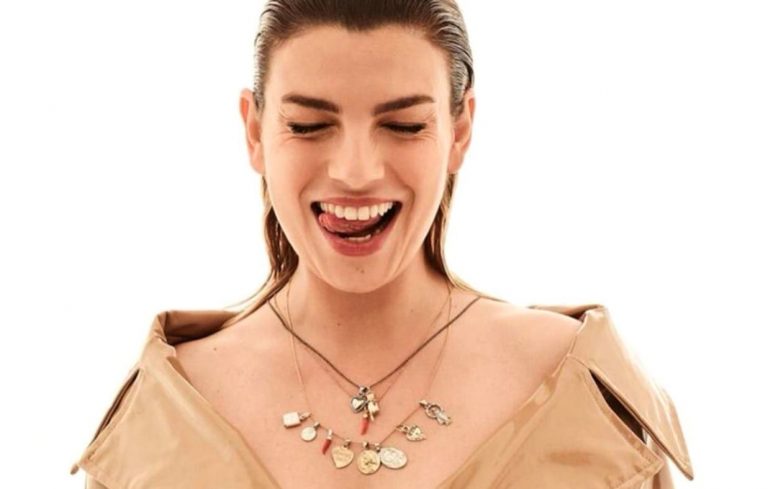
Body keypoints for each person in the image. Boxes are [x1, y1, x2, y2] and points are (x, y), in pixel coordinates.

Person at [70, 1, 694, 487]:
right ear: (254, 131)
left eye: (403, 125)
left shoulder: (577, 390)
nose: (356, 170)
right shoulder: (166, 413)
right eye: (308, 125)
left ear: (460, 129)